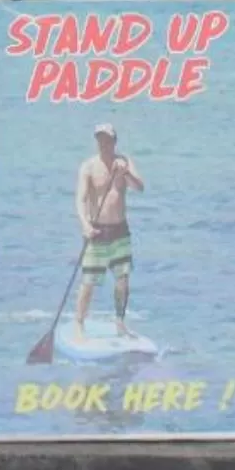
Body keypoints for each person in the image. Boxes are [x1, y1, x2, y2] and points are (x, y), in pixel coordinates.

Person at [72, 123, 145, 335]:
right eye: (100, 140)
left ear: (114, 142)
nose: (104, 144)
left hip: (120, 231)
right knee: (89, 281)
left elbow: (140, 187)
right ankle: (79, 323)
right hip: (97, 231)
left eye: (107, 140)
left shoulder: (125, 162)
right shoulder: (88, 167)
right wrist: (85, 224)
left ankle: (120, 322)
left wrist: (126, 175)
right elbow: (81, 198)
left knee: (122, 280)